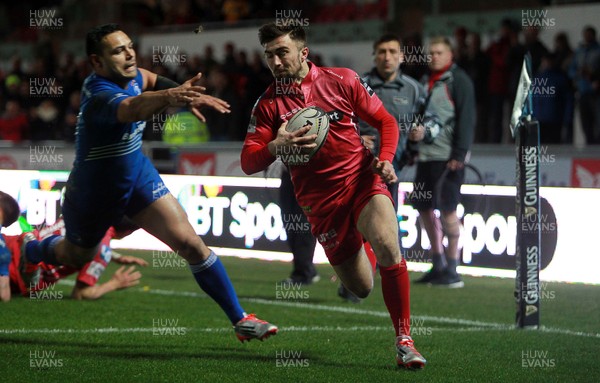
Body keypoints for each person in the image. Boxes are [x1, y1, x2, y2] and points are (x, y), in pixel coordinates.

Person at [18, 24, 277, 342]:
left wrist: (181, 96)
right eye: (117, 50)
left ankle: (240, 319)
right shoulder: (97, 92)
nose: (128, 54)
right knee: (78, 256)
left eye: (129, 46)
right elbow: (131, 108)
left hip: (137, 176)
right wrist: (171, 96)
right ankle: (32, 250)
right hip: (93, 193)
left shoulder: (134, 76)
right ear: (97, 62)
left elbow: (150, 80)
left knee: (190, 244)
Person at [241, 22, 426, 369]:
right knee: (361, 287)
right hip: (322, 206)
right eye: (269, 55)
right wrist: (276, 145)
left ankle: (405, 340)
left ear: (303, 53)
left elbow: (386, 121)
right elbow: (248, 161)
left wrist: (384, 159)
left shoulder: (342, 80)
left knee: (388, 244)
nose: (276, 62)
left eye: (282, 52)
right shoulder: (267, 105)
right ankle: (361, 238)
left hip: (361, 181)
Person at [353, 33, 426, 304]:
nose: (387, 57)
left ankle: (388, 272)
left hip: (392, 168)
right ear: (375, 54)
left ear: (402, 56)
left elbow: (425, 121)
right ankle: (356, 277)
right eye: (382, 51)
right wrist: (357, 137)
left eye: (393, 51)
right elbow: (342, 120)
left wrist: (421, 136)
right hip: (358, 165)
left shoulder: (415, 89)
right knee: (359, 222)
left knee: (386, 222)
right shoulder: (359, 83)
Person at [409, 36, 475, 288]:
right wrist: (414, 145)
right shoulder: (427, 82)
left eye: (439, 52)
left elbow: (467, 118)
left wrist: (459, 153)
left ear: (451, 55)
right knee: (424, 207)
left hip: (448, 159)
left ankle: (452, 267)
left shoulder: (460, 81)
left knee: (448, 209)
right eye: (431, 53)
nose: (433, 56)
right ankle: (437, 263)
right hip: (426, 156)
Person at [4, 217, 146, 302]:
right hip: (16, 274)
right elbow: (81, 294)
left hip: (7, 243)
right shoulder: (102, 248)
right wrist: (114, 284)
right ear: (128, 232)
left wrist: (116, 256)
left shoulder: (85, 215)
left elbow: (71, 244)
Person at [280, 167, 319, 286]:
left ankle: (303, 272)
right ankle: (306, 269)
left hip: (308, 174)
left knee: (303, 224)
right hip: (289, 173)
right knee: (289, 222)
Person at [568, 26, 600, 144]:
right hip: (582, 92)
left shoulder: (598, 50)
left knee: (597, 122)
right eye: (585, 34)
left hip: (596, 93)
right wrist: (577, 74)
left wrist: (593, 74)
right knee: (585, 123)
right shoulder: (579, 51)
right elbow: (571, 69)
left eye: (589, 34)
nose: (586, 37)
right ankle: (589, 146)